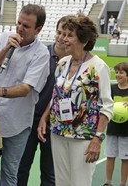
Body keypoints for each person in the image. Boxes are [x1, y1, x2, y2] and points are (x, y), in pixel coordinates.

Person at [0, 4, 50, 185]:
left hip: (17, 124)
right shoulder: (6, 38)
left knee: (9, 173)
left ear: (38, 30)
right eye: (19, 23)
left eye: (26, 26)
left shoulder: (41, 54)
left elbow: (26, 89)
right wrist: (5, 48)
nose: (20, 28)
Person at [37, 14, 114, 186]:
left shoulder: (98, 67)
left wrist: (97, 138)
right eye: (62, 34)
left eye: (69, 35)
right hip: (58, 132)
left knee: (80, 183)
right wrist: (44, 118)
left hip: (84, 137)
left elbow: (106, 106)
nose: (62, 39)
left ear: (84, 40)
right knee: (61, 182)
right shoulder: (62, 63)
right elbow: (56, 96)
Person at [17, 16, 68, 186]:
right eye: (59, 32)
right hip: (29, 121)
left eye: (67, 34)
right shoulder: (41, 54)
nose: (61, 37)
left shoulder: (76, 63)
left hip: (55, 124)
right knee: (20, 169)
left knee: (50, 174)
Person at [104, 62, 128, 186]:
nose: (118, 75)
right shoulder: (111, 88)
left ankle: (123, 183)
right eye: (116, 72)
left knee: (125, 159)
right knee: (110, 156)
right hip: (112, 129)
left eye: (121, 73)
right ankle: (108, 182)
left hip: (126, 131)